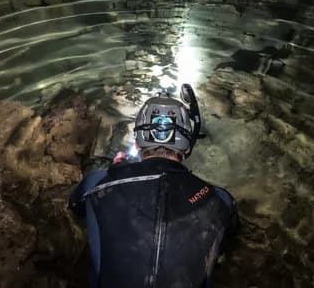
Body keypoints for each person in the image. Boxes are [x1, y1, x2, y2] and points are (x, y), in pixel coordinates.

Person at [69, 84, 238, 288]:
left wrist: (114, 174)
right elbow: (231, 232)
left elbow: (75, 206)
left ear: (138, 143)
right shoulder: (220, 199)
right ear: (186, 147)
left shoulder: (96, 183)